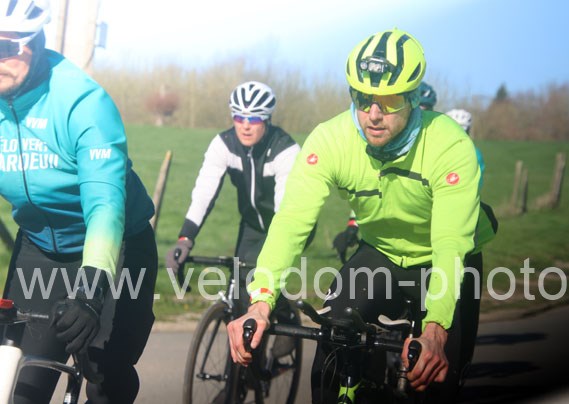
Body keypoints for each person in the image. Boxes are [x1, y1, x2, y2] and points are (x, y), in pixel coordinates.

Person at [227, 28, 496, 402]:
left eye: (389, 101)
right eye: (363, 98)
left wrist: (436, 328)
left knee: (438, 378)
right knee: (333, 344)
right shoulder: (330, 140)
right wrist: (260, 302)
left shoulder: (449, 144)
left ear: (413, 98)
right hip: (381, 252)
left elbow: (450, 242)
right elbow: (291, 221)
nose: (373, 115)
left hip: (445, 259)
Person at [0, 1, 158, 402]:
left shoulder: (82, 103)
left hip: (117, 248)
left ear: (35, 43)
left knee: (106, 375)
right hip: (40, 247)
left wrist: (89, 292)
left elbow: (105, 208)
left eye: (6, 47)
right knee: (17, 383)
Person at [165, 80, 304, 306]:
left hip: (288, 224)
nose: (245, 126)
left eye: (254, 119)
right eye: (239, 118)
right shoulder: (224, 144)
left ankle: (278, 315)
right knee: (239, 293)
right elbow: (204, 193)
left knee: (260, 288)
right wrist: (185, 239)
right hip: (252, 225)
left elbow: (285, 211)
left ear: (267, 119)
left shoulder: (286, 151)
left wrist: (271, 255)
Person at [332, 80, 437, 262]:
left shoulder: (437, 144)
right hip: (391, 248)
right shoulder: (380, 144)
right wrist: (352, 226)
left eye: (425, 108)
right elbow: (371, 190)